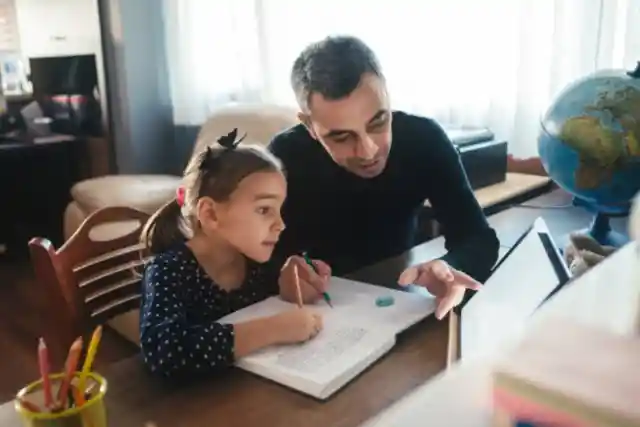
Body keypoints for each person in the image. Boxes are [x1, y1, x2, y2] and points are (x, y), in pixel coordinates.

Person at [269, 36, 500, 319]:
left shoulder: (423, 138)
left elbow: (478, 237)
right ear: (309, 126)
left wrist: (450, 266)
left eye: (378, 121)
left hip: (399, 302)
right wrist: (280, 275)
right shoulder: (284, 158)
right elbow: (255, 262)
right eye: (341, 137)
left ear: (388, 97)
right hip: (320, 314)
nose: (368, 151)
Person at [138, 129, 324, 379]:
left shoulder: (253, 261)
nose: (281, 224)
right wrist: (273, 329)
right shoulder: (167, 271)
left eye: (279, 209)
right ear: (211, 214)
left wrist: (287, 284)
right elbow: (165, 351)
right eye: (264, 209)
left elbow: (275, 291)